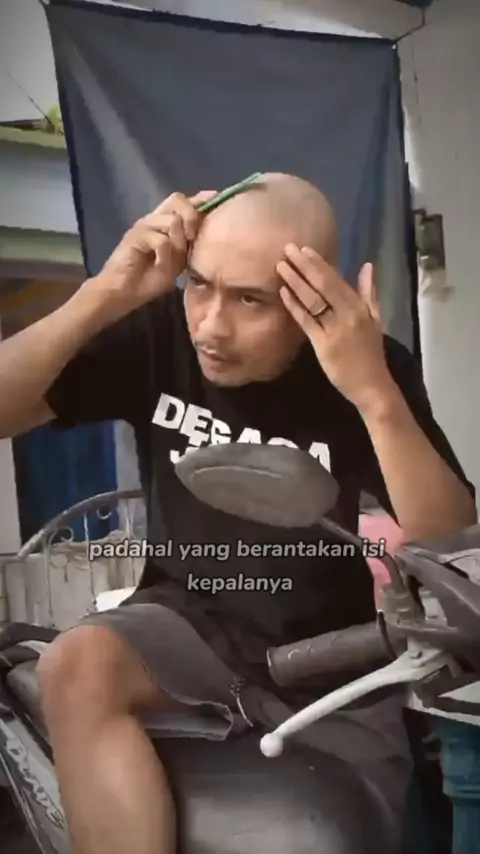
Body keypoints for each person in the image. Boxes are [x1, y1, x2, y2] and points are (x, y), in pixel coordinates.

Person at [0, 172, 475, 854]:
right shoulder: (162, 335)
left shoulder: (361, 362)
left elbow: (450, 538)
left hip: (331, 655)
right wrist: (105, 294)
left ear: (310, 297)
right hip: (184, 622)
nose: (211, 326)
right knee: (75, 666)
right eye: (198, 284)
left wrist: (372, 391)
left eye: (250, 299)